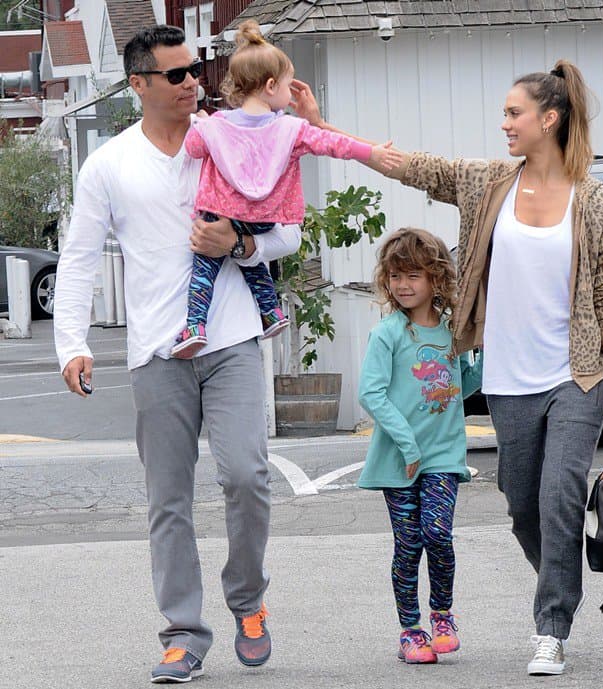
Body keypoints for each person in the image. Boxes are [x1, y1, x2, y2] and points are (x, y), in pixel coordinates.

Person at [292, 59, 603, 675]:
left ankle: (551, 627)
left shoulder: (597, 201)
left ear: (548, 120)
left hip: (577, 373)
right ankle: (563, 573)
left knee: (560, 496)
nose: (503, 123)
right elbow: (412, 165)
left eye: (513, 113)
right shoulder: (486, 184)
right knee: (523, 505)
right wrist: (325, 127)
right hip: (508, 377)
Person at [53, 25, 301, 684]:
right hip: (156, 351)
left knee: (246, 476)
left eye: (197, 70)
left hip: (232, 338)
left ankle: (248, 601)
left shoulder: (229, 139)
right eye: (177, 74)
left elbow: (288, 231)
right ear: (139, 84)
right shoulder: (109, 163)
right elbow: (78, 258)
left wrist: (242, 247)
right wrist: (71, 342)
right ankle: (183, 633)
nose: (195, 82)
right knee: (169, 499)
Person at [172, 19, 401, 358]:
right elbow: (333, 144)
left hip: (220, 212)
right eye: (286, 86)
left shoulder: (217, 126)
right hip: (266, 217)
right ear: (269, 86)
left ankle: (195, 325)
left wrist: (204, 125)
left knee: (204, 266)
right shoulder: (290, 130)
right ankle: (271, 312)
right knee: (253, 262)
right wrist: (374, 152)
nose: (289, 94)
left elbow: (191, 149)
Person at [358, 228, 482, 665]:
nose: (403, 284)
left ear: (435, 278)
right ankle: (411, 631)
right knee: (408, 544)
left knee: (438, 535)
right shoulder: (388, 334)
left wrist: (479, 356)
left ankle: (442, 615)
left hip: (443, 457)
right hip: (399, 459)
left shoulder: (452, 332)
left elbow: (459, 388)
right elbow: (371, 394)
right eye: (395, 276)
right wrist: (408, 445)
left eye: (412, 275)